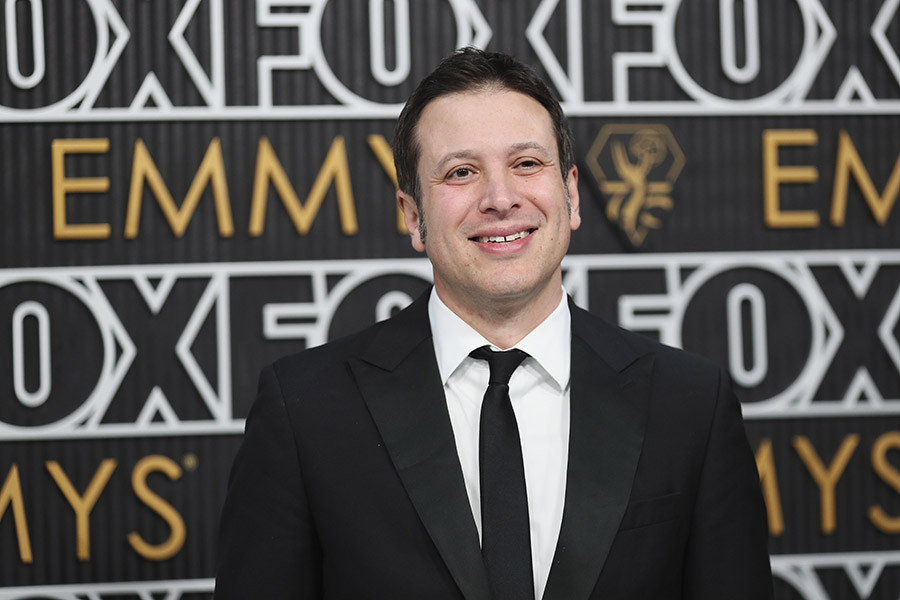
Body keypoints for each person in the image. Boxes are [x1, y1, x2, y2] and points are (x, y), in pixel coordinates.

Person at [215, 48, 773, 599]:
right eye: (461, 172)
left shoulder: (690, 403)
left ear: (571, 194)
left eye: (527, 163)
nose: (500, 198)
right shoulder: (305, 409)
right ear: (413, 216)